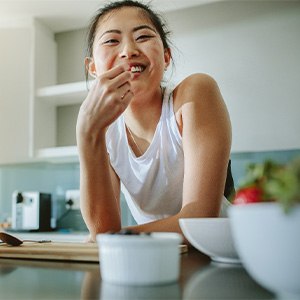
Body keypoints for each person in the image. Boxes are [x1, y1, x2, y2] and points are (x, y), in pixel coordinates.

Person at [76, 0, 234, 242]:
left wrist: (115, 237)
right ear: (93, 67)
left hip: (219, 256)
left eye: (143, 37)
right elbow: (102, 227)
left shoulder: (194, 94)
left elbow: (200, 218)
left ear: (166, 56)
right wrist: (87, 132)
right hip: (156, 259)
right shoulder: (105, 131)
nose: (128, 50)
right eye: (111, 40)